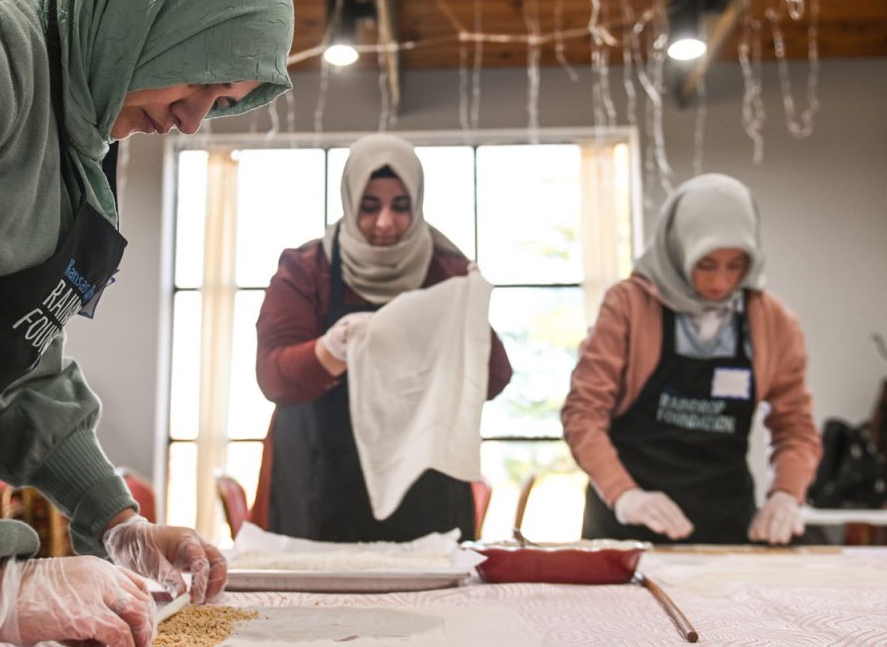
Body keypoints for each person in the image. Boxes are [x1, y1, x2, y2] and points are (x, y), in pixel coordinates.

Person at [0, 0, 293, 644]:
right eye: (203, 79)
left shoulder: (82, 143)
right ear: (148, 6)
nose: (191, 121)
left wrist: (117, 522)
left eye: (224, 101)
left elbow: (11, 365)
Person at [251, 134, 513, 543]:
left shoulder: (446, 269)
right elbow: (275, 379)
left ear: (418, 203)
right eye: (370, 206)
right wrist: (329, 351)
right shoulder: (306, 270)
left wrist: (472, 312)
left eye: (401, 206)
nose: (385, 222)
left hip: (425, 493)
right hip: (321, 485)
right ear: (349, 202)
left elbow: (493, 380)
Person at [561, 174, 821, 545]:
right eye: (707, 264)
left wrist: (785, 494)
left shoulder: (772, 322)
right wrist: (624, 494)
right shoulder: (629, 306)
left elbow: (795, 427)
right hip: (626, 530)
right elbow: (582, 414)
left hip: (725, 525)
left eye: (736, 266)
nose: (720, 282)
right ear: (678, 248)